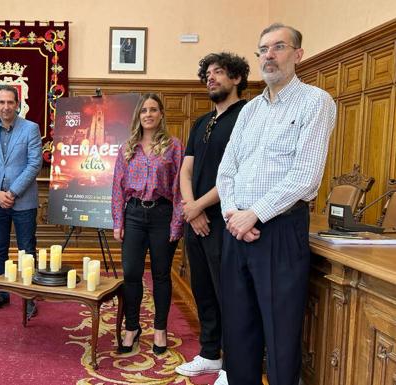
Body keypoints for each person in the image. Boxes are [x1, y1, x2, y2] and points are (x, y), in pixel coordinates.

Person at [216, 23, 336, 385]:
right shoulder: (249, 111)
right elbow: (226, 171)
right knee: (237, 335)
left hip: (280, 232)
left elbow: (305, 177)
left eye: (278, 47)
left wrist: (254, 214)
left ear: (298, 54)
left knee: (280, 338)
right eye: (263, 49)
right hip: (236, 230)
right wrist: (234, 214)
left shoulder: (316, 103)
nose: (268, 55)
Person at [174, 52, 250, 385]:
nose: (211, 77)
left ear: (236, 78)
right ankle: (209, 353)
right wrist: (192, 209)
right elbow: (185, 170)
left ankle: (233, 367)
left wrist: (200, 207)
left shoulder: (246, 116)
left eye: (219, 72)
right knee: (202, 290)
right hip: (197, 219)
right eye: (207, 73)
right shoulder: (202, 122)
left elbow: (238, 174)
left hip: (227, 221)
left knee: (228, 295)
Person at [112, 93, 184, 355]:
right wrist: (118, 221)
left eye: (153, 110)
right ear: (138, 116)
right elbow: (117, 187)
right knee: (131, 273)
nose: (149, 114)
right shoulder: (127, 147)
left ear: (161, 114)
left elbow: (180, 188)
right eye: (144, 110)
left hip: (162, 216)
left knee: (161, 275)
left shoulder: (174, 146)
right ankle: (132, 327)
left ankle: (160, 329)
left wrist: (177, 223)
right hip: (133, 215)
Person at [0, 85, 42, 317]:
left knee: (27, 250)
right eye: (1, 102)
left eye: (10, 102)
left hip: (23, 200)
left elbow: (34, 164)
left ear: (18, 104)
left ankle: (29, 297)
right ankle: (0, 293)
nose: (6, 107)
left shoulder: (31, 128)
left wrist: (12, 192)